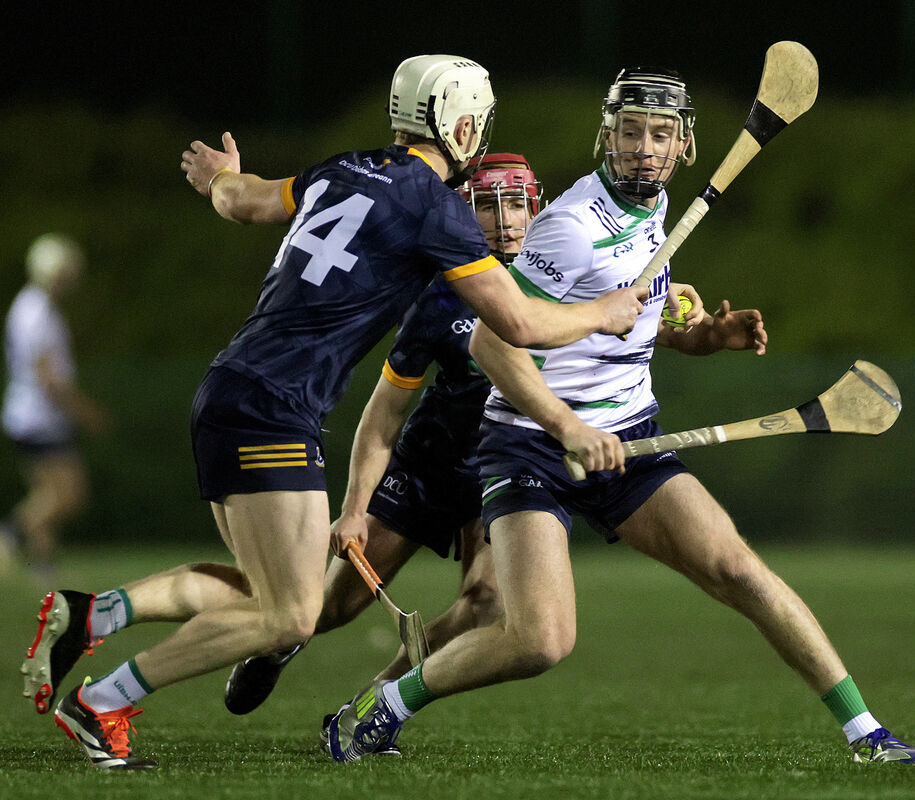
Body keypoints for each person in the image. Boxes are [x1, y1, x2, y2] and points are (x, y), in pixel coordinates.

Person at [22, 54, 646, 771]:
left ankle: (90, 615)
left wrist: (222, 175)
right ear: (463, 123)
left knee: (262, 593)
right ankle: (104, 702)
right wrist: (606, 311)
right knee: (291, 614)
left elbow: (243, 200)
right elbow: (523, 327)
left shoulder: (344, 167)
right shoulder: (436, 207)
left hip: (231, 388)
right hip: (276, 408)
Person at [325, 67, 915, 765]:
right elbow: (496, 342)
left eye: (661, 134)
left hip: (630, 439)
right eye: (632, 132)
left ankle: (868, 734)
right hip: (528, 446)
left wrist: (699, 338)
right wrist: (567, 427)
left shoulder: (660, 213)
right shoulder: (571, 228)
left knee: (739, 570)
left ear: (685, 146)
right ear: (606, 137)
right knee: (538, 641)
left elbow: (620, 319)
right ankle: (386, 704)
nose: (645, 147)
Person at [221, 154, 721, 727]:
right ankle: (276, 643)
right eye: (486, 205)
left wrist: (698, 332)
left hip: (509, 462)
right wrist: (354, 508)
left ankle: (376, 703)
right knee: (335, 604)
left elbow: (631, 328)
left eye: (516, 204)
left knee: (486, 605)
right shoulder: (441, 298)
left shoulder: (577, 269)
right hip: (435, 463)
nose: (505, 220)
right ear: (462, 214)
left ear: (539, 208)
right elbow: (384, 413)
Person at [2, 233, 109, 587]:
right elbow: (48, 378)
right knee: (67, 495)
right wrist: (84, 410)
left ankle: (44, 566)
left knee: (47, 494)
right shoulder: (35, 312)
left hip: (32, 415)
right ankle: (8, 539)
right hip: (38, 417)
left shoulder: (35, 306)